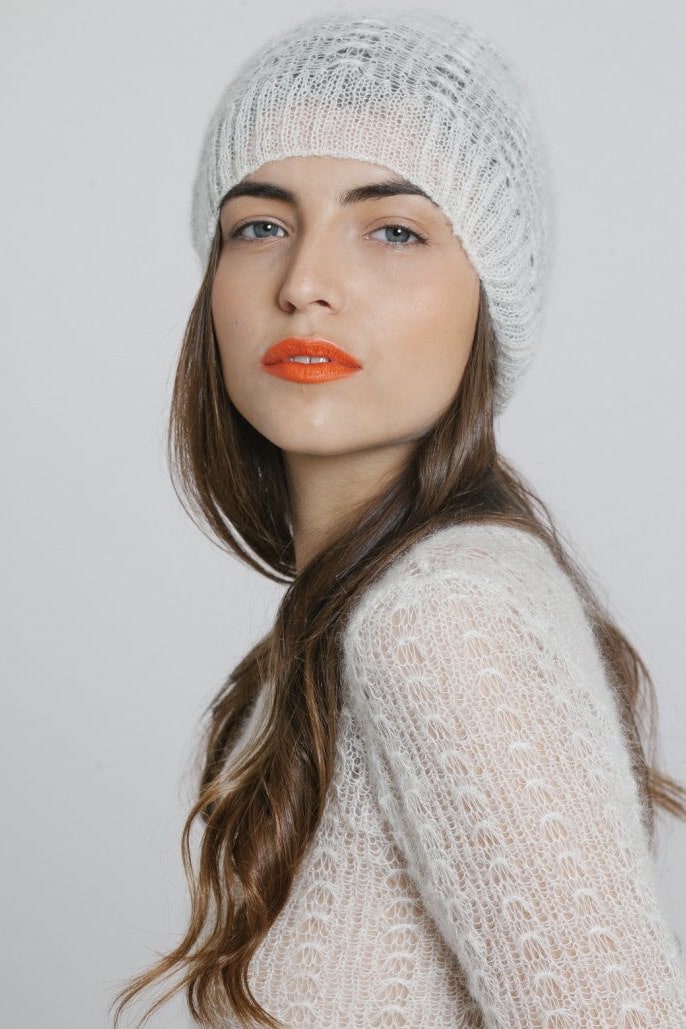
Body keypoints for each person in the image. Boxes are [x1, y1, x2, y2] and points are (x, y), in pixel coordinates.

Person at [111, 8, 686, 1027]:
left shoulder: (439, 618)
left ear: (490, 296)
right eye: (260, 226)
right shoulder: (351, 622)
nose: (305, 285)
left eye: (393, 230)